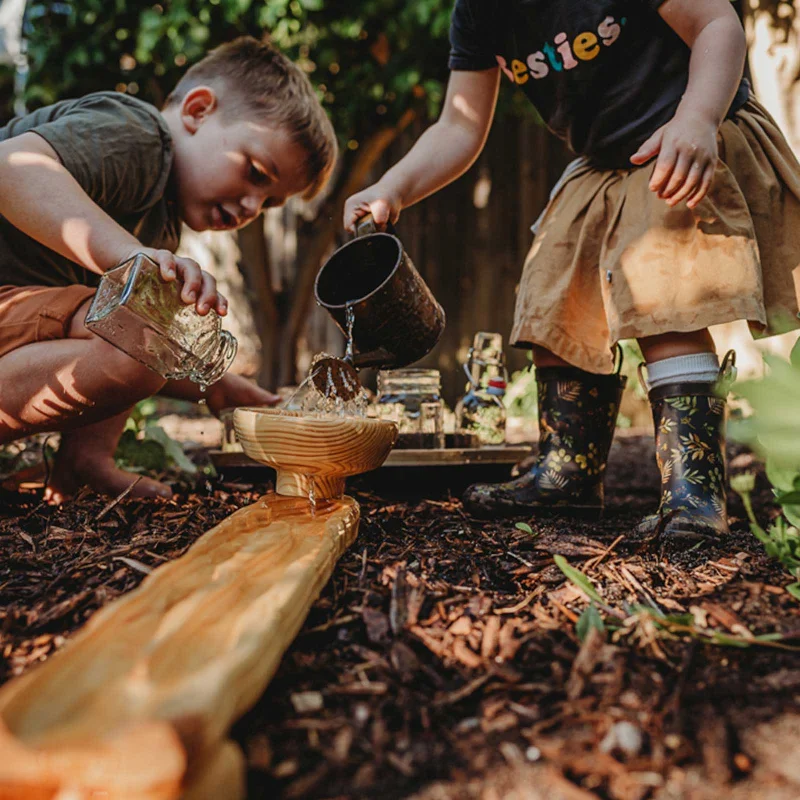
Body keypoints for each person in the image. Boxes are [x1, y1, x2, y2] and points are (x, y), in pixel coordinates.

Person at [344, 0, 800, 541]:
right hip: (603, 162)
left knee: (667, 300)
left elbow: (717, 24)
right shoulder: (479, 13)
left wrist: (696, 118)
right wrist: (391, 188)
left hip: (681, 137)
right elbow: (459, 126)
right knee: (553, 295)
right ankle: (569, 473)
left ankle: (694, 492)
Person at [0, 36, 338, 503]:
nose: (253, 206)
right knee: (142, 323)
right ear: (198, 110)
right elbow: (11, 167)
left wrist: (217, 387)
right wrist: (129, 255)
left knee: (143, 319)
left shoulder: (160, 222)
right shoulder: (137, 135)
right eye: (257, 173)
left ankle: (85, 462)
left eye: (270, 202)